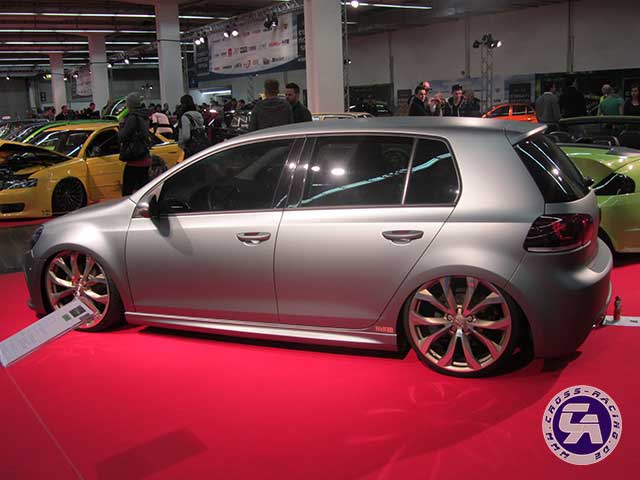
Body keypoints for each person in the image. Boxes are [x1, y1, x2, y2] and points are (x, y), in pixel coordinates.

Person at [118, 93, 151, 196]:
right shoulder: (144, 116)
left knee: (127, 191)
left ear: (130, 104)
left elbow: (122, 136)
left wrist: (121, 125)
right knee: (144, 191)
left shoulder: (132, 117)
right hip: (144, 156)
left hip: (134, 159)